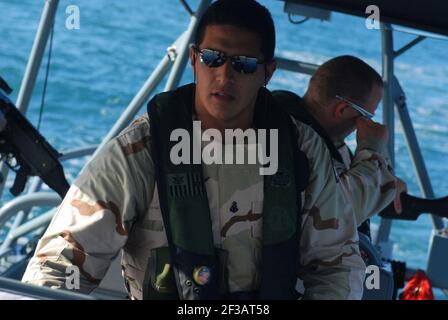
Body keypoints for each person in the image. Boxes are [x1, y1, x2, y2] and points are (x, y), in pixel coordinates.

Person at [22, 0, 397, 300]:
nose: (224, 76)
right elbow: (59, 265)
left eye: (244, 65)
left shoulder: (301, 149)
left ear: (268, 72)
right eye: (213, 58)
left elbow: (333, 263)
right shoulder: (142, 149)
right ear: (193, 60)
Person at [273, 55, 408, 239]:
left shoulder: (326, 140)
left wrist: (389, 182)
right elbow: (339, 213)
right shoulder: (293, 143)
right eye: (366, 115)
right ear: (342, 110)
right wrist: (374, 148)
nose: (367, 122)